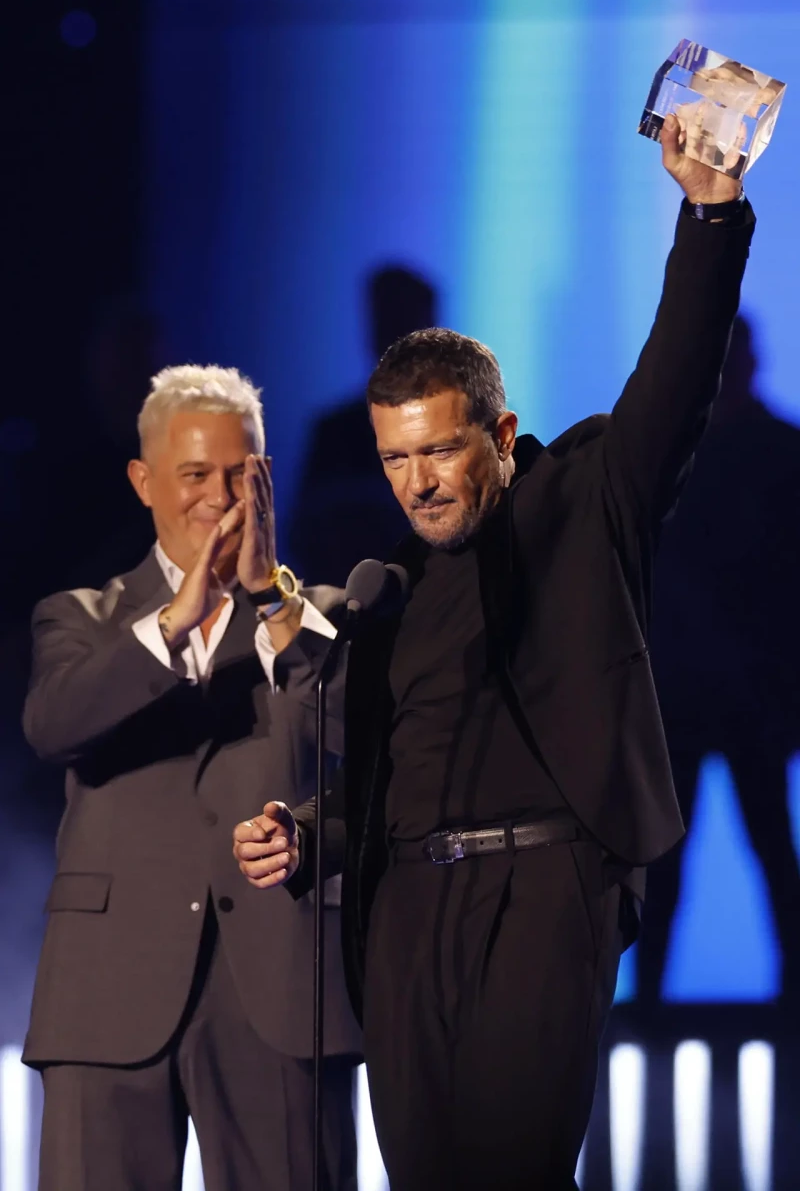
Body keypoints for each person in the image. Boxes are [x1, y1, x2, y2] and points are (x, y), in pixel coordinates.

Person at [234, 116, 757, 1189]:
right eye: (395, 460)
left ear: (501, 436)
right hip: (407, 916)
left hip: (540, 890)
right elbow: (398, 771)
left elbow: (675, 373)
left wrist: (707, 215)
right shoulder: (389, 587)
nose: (417, 481)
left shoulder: (583, 500)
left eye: (437, 451)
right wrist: (309, 834)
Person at [22, 365, 361, 1191]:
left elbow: (363, 739)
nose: (218, 497)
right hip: (108, 993)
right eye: (194, 475)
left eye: (239, 474)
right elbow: (54, 725)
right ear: (144, 482)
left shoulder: (318, 618)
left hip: (278, 996)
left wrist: (268, 599)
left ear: (267, 480)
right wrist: (175, 623)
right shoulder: (83, 617)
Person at [639, 315, 800, 1004]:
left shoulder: (677, 452)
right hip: (722, 690)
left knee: (692, 857)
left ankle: (648, 1004)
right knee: (759, 849)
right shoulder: (775, 450)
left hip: (714, 690)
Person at [288, 264, 437, 585]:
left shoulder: (466, 431)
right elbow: (302, 535)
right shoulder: (332, 432)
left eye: (406, 324)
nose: (396, 340)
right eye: (388, 321)